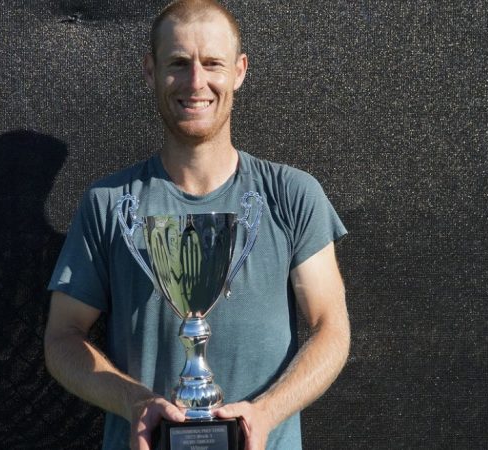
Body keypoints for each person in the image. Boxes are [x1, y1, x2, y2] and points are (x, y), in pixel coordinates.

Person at [44, 1, 350, 448]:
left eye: (212, 64)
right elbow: (60, 338)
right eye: (178, 64)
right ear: (150, 71)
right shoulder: (109, 205)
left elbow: (332, 328)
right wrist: (134, 402)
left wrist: (264, 415)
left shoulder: (292, 194)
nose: (195, 82)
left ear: (240, 71)